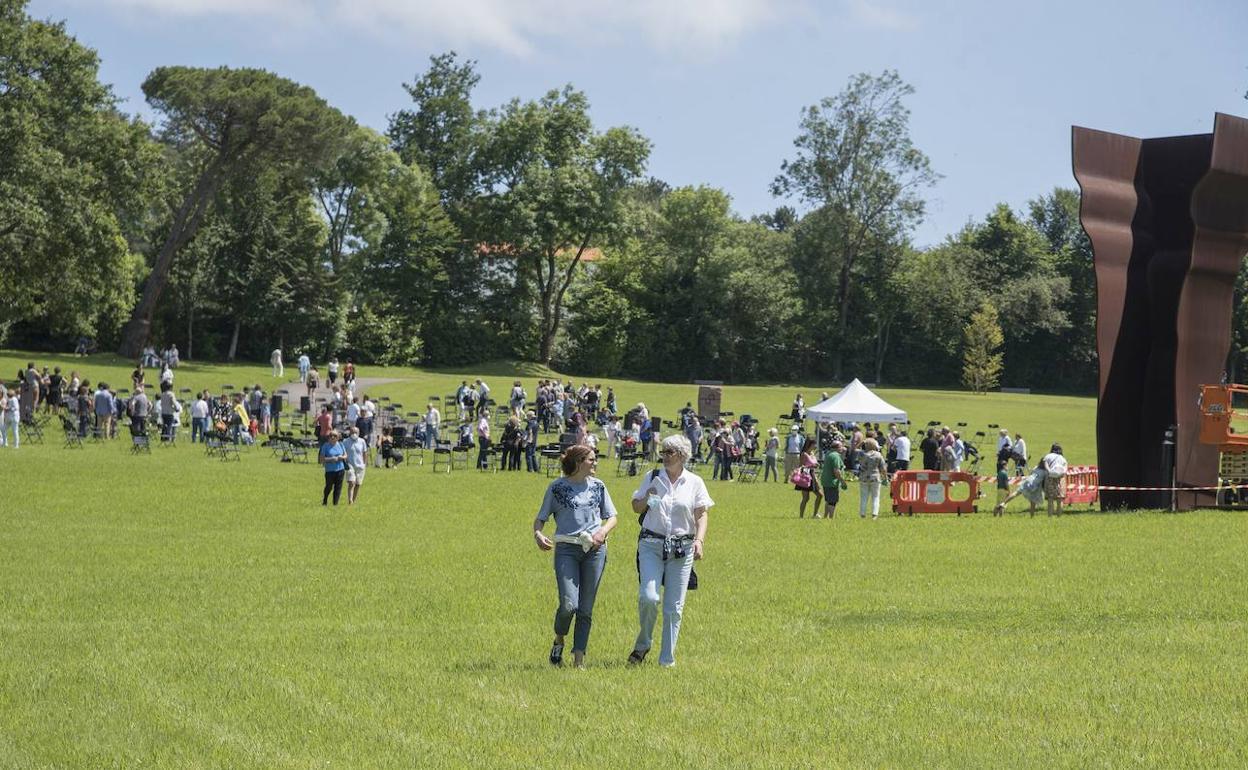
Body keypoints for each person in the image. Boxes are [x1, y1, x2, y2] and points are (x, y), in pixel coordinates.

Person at [532, 444, 618, 668]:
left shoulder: (599, 487)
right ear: (579, 462)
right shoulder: (557, 488)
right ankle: (559, 639)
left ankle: (578, 659)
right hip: (567, 550)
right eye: (591, 459)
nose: (595, 463)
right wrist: (538, 534)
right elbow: (540, 518)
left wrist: (603, 531)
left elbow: (612, 517)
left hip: (596, 551)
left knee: (585, 608)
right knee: (569, 605)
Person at [628, 435, 711, 668]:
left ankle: (667, 660)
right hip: (651, 545)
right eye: (662, 452)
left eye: (669, 452)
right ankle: (643, 643)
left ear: (682, 455)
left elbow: (702, 514)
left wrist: (699, 541)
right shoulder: (653, 477)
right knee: (649, 597)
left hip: (682, 549)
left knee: (674, 608)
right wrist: (647, 497)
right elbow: (636, 507)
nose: (664, 456)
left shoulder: (694, 482)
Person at [858, 438, 888, 519]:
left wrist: (863, 442)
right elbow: (883, 468)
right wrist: (885, 478)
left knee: (864, 497)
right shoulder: (878, 455)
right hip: (875, 477)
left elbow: (856, 449)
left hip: (863, 477)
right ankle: (874, 514)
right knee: (875, 497)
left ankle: (862, 514)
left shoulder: (861, 454)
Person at [795, 438, 823, 518]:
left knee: (820, 495)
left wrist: (816, 465)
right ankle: (801, 516)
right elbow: (800, 466)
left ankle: (815, 514)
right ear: (810, 444)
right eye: (814, 444)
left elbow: (815, 463)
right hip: (806, 476)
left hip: (813, 475)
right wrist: (810, 466)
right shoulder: (804, 454)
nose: (815, 446)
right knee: (806, 498)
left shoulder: (812, 453)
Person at [318, 430, 347, 506]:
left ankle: (335, 503)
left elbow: (345, 456)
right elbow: (321, 459)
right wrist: (331, 459)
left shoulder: (341, 445)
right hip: (330, 470)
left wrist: (342, 457)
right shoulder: (325, 446)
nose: (332, 437)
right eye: (331, 436)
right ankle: (325, 500)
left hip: (340, 469)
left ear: (338, 438)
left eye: (334, 436)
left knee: (338, 487)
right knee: (329, 486)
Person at [342, 426, 369, 505]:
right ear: (349, 433)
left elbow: (364, 453)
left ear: (359, 433)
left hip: (360, 466)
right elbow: (343, 452)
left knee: (358, 484)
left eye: (355, 432)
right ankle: (350, 500)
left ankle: (353, 500)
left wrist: (364, 463)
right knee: (351, 482)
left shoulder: (362, 441)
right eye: (352, 432)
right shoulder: (345, 441)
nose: (354, 434)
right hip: (350, 465)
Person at [820, 439, 848, 517]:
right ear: (838, 447)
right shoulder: (835, 456)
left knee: (828, 500)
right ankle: (831, 517)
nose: (843, 448)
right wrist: (842, 481)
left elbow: (840, 462)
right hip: (832, 482)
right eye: (842, 446)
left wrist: (844, 453)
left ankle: (825, 516)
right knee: (833, 501)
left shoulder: (829, 453)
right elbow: (836, 471)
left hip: (825, 480)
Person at [1041, 443, 1069, 516]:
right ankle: (1059, 516)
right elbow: (1065, 470)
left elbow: (1045, 466)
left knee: (1050, 499)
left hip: (1050, 478)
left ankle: (1050, 516)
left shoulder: (1048, 456)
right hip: (1060, 479)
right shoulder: (1062, 458)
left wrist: (1050, 472)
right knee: (1060, 499)